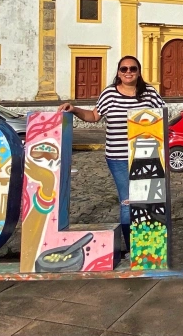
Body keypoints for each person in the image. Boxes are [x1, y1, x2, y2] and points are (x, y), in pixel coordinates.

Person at [57, 55, 164, 253]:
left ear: (139, 71)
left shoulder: (149, 93)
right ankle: (132, 247)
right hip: (118, 157)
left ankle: (147, 247)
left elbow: (161, 116)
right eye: (124, 69)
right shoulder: (109, 94)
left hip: (145, 155)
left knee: (147, 201)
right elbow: (94, 116)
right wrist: (74, 109)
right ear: (118, 72)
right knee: (128, 200)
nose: (128, 72)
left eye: (132, 68)